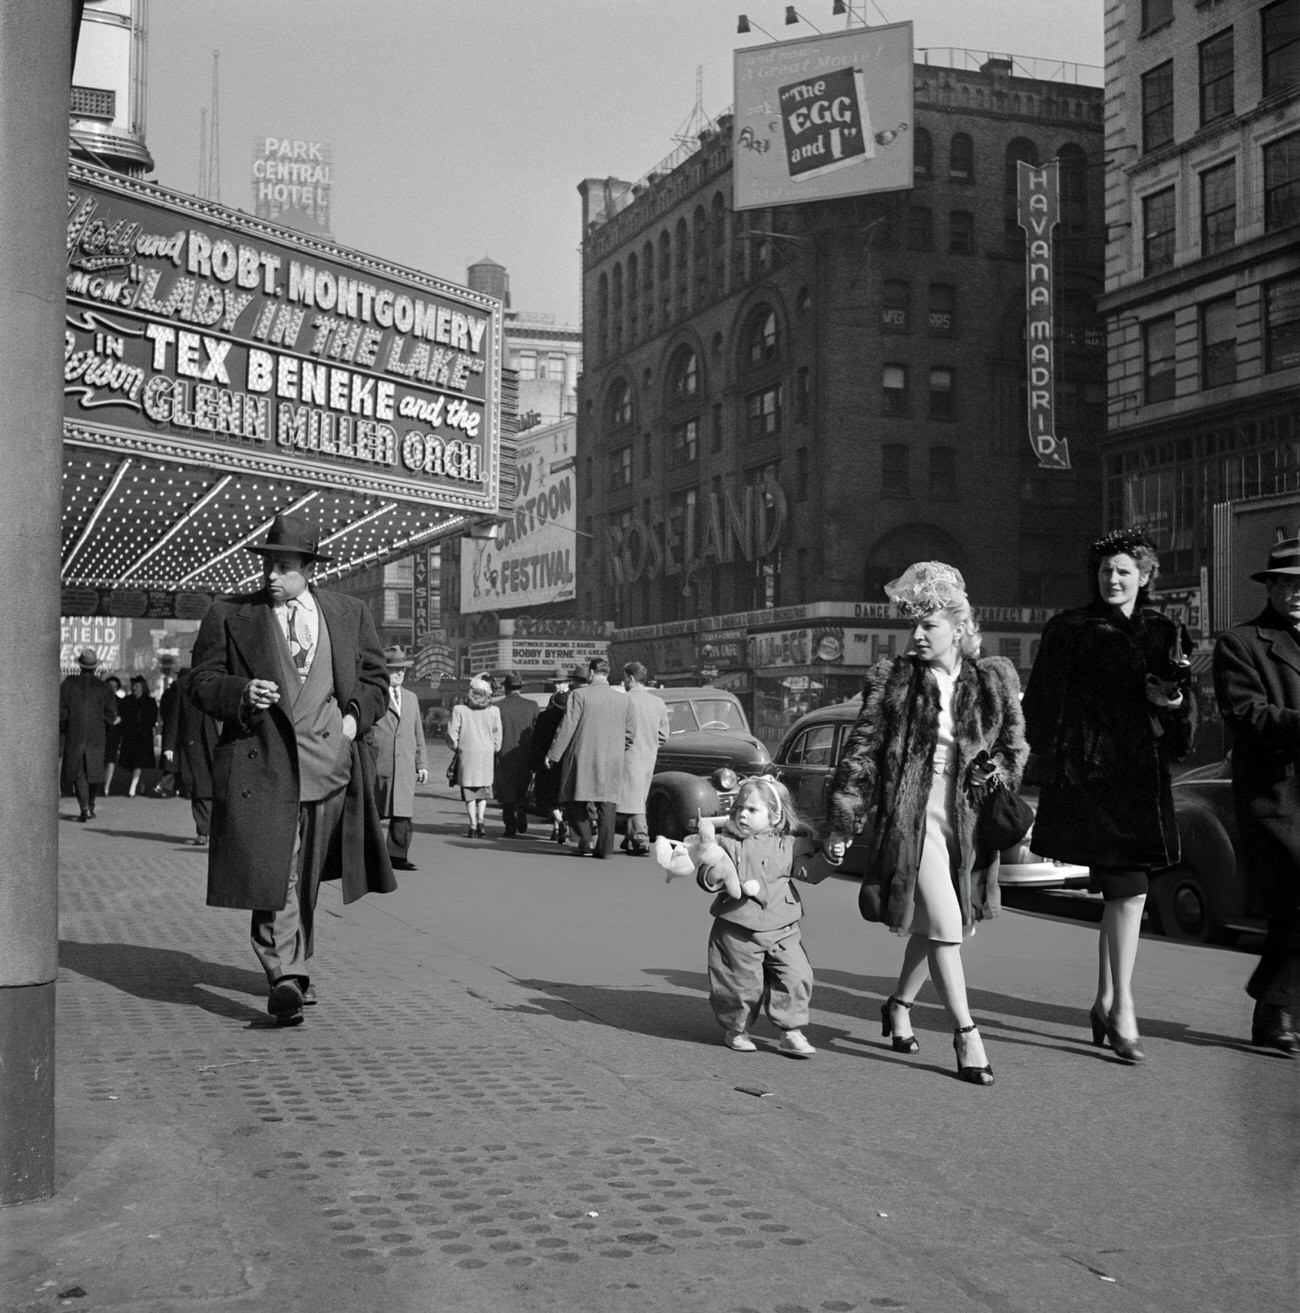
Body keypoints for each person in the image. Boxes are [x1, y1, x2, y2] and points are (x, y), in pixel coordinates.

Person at [188, 511, 395, 1026]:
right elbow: (199, 683)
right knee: (274, 872)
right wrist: (239, 692)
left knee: (302, 878)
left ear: (308, 568)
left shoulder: (348, 614)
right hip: (263, 769)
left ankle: (296, 970)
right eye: (267, 566)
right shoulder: (229, 614)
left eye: (282, 567)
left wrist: (351, 720)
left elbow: (375, 681)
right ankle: (283, 976)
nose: (271, 577)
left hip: (330, 769)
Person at [825, 562, 1027, 1086]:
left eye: (928, 626)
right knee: (945, 924)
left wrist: (996, 769)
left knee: (945, 925)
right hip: (913, 819)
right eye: (912, 626)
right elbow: (863, 752)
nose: (915, 635)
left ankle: (897, 1006)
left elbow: (1015, 748)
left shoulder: (993, 679)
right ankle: (967, 1034)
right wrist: (846, 818)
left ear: (958, 629)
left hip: (968, 821)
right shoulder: (893, 681)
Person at [1023, 527, 1192, 1064]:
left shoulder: (1166, 630)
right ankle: (1123, 1008)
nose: (1113, 579)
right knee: (1130, 891)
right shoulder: (1069, 628)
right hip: (1090, 780)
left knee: (1124, 895)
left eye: (1123, 571)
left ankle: (1104, 1002)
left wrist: (1169, 703)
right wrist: (1042, 766)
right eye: (1105, 571)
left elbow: (1184, 710)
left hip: (1140, 778)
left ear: (1145, 576)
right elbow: (1041, 707)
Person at [1212, 534, 1300, 1055]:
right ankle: (1275, 1005)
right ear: (1269, 587)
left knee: (1292, 910)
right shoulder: (1241, 643)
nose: (1295, 594)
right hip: (1276, 796)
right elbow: (1247, 716)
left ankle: (1274, 1002)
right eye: (1286, 584)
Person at [696, 776, 819, 1057]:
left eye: (752, 810)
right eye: (739, 807)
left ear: (775, 817)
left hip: (783, 926)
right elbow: (706, 873)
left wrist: (833, 856)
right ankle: (736, 1028)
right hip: (737, 928)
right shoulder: (726, 843)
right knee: (739, 984)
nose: (742, 814)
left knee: (796, 975)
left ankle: (791, 1031)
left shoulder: (791, 844)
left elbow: (812, 870)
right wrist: (712, 874)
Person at [545, 655, 635, 858]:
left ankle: (584, 841)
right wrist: (618, 750)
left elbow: (567, 727)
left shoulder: (579, 695)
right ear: (608, 674)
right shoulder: (624, 700)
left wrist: (554, 754)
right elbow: (630, 734)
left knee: (576, 800)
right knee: (607, 805)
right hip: (612, 760)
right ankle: (604, 849)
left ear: (591, 673)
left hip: (583, 757)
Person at [370, 645, 428, 871]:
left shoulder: (411, 698)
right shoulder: (375, 695)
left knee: (402, 814)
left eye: (402, 670)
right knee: (374, 812)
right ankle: (371, 855)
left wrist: (422, 764)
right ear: (384, 671)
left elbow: (418, 732)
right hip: (379, 762)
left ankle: (397, 857)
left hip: (404, 764)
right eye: (394, 670)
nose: (399, 674)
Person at [59, 647, 118, 822]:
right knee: (95, 772)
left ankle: (84, 808)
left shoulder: (68, 685)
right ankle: (90, 804)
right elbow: (112, 714)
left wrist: (66, 727)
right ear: (95, 667)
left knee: (79, 773)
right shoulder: (104, 687)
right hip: (97, 736)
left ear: (80, 666)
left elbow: (61, 712)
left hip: (75, 735)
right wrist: (102, 725)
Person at [163, 665, 220, 846]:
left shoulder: (220, 679)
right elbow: (174, 716)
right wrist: (169, 746)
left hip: (217, 741)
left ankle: (216, 831)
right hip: (193, 742)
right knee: (199, 786)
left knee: (218, 786)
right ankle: (203, 831)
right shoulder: (183, 685)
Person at [618, 661, 670, 855]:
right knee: (637, 797)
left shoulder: (623, 700)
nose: (623, 682)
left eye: (624, 678)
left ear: (630, 678)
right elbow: (664, 735)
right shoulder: (658, 702)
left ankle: (640, 838)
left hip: (626, 755)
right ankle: (630, 836)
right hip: (648, 757)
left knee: (631, 799)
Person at [447, 675, 503, 838]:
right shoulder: (494, 711)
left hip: (467, 754)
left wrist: (458, 748)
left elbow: (452, 734)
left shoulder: (459, 710)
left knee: (469, 791)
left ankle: (472, 824)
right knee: (483, 790)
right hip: (486, 755)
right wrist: (494, 749)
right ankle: (481, 820)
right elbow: (498, 735)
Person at [531, 669, 579, 843]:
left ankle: (559, 823)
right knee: (564, 795)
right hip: (567, 758)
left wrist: (535, 763)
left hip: (549, 759)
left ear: (568, 682)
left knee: (550, 796)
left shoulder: (545, 716)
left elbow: (537, 741)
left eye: (560, 682)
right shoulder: (573, 711)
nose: (557, 685)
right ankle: (558, 826)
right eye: (555, 683)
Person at [494, 672, 538, 837]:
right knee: (523, 786)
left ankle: (509, 824)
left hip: (503, 754)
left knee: (506, 790)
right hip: (525, 754)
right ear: (521, 688)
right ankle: (521, 808)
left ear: (505, 688)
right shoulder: (532, 706)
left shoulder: (498, 707)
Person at [117, 674, 157, 798]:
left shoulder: (150, 701)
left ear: (142, 687)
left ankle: (133, 786)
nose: (134, 688)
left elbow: (152, 719)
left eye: (137, 685)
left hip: (143, 737)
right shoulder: (126, 701)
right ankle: (141, 784)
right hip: (130, 736)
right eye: (133, 685)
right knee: (133, 763)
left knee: (139, 761)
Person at [101, 674, 125, 796]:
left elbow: (123, 718)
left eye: (115, 686)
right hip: (101, 733)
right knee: (100, 759)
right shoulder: (99, 701)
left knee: (111, 759)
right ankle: (100, 783)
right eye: (110, 686)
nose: (112, 688)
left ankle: (107, 786)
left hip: (114, 734)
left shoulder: (120, 702)